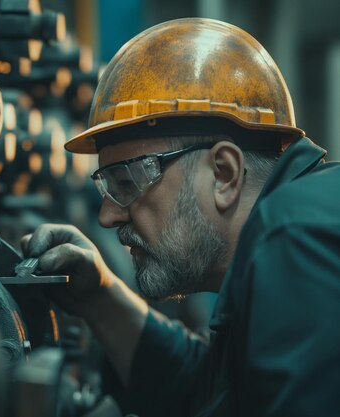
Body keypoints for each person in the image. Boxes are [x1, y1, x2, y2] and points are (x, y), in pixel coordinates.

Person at [21, 18, 340, 416]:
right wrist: (100, 296)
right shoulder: (287, 239)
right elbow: (213, 395)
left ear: (223, 174)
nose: (107, 216)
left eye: (127, 181)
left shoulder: (297, 238)